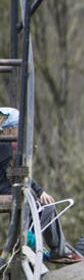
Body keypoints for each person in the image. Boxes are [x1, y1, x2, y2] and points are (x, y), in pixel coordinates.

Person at [0, 107, 78, 262]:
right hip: (6, 190)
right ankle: (52, 247)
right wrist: (39, 190)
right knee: (45, 207)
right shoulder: (5, 146)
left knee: (39, 205)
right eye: (17, 129)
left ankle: (42, 243)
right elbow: (14, 174)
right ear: (10, 129)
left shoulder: (5, 145)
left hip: (6, 187)